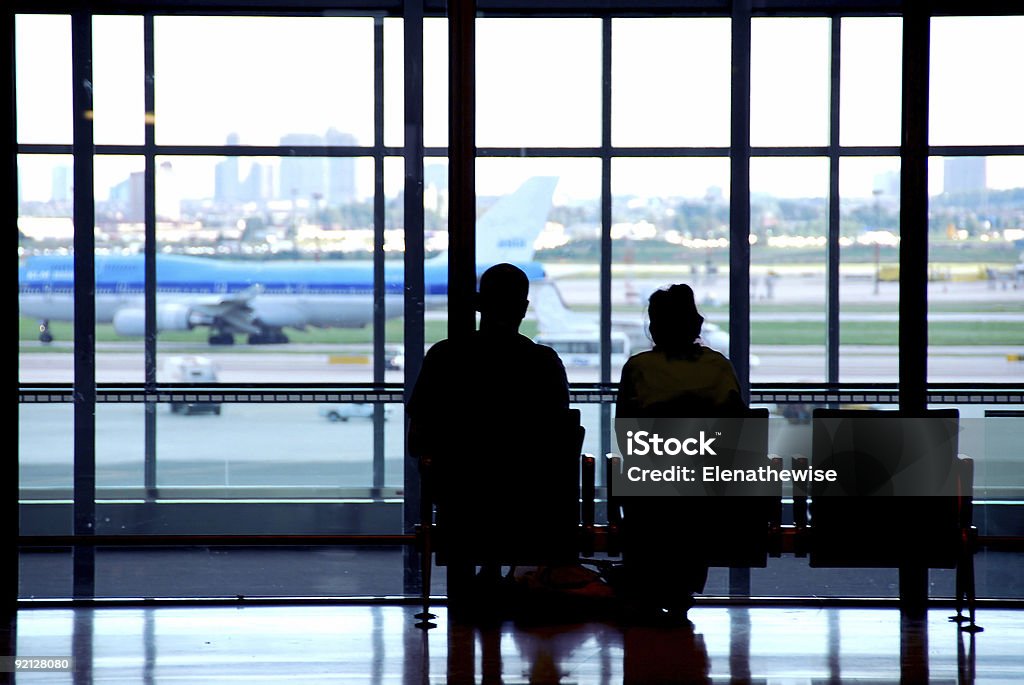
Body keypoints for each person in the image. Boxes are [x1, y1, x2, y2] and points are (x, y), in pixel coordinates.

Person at [407, 262, 571, 608]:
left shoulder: (445, 356)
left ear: (479, 304)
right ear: (524, 309)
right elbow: (559, 432)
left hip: (460, 492)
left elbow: (420, 425)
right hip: (526, 493)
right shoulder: (542, 363)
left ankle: (478, 586)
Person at [614, 283, 746, 619]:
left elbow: (625, 435)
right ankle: (680, 588)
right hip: (706, 497)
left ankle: (647, 585)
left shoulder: (638, 368)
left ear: (655, 327)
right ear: (695, 326)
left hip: (652, 498)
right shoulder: (719, 368)